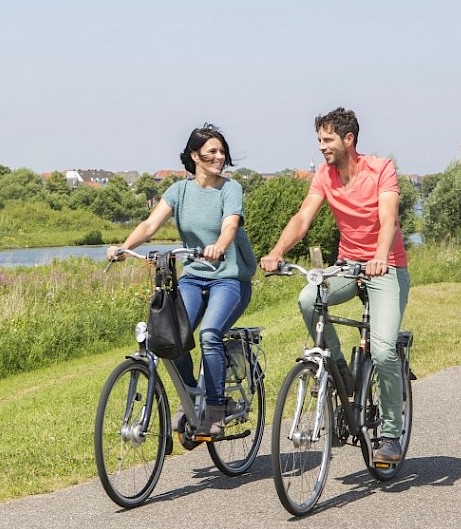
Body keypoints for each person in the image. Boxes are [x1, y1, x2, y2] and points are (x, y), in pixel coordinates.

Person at [258, 107, 410, 464]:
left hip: (386, 267)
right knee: (309, 298)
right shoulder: (325, 176)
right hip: (347, 266)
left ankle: (390, 434)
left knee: (385, 349)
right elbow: (304, 217)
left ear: (348, 139)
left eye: (327, 140)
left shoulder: (380, 169)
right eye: (319, 140)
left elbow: (388, 217)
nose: (322, 147)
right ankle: (339, 372)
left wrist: (380, 255)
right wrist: (278, 251)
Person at [107, 123, 256, 439]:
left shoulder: (230, 190)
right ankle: (190, 399)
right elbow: (149, 225)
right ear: (194, 156)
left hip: (228, 279)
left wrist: (220, 246)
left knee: (210, 335)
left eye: (221, 151)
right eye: (212, 151)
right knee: (169, 335)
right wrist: (124, 247)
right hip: (194, 278)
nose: (219, 157)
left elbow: (230, 225)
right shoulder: (179, 191)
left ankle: (215, 409)